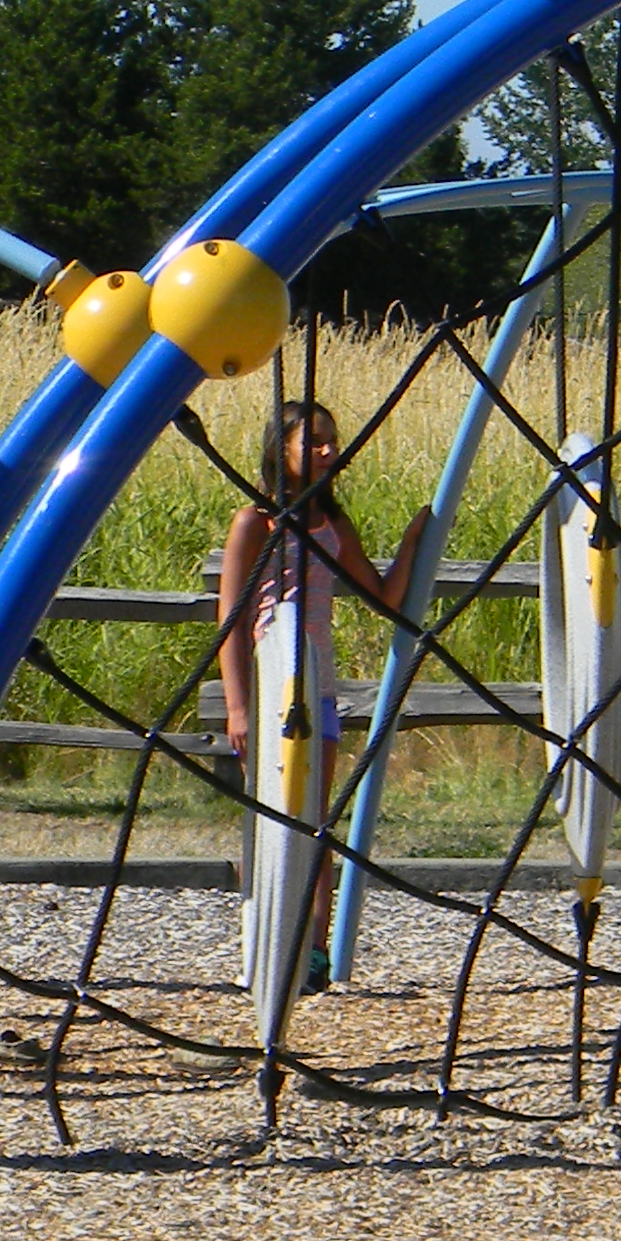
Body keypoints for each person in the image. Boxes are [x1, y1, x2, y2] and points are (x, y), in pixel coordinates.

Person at [216, 400, 428, 996]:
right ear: (280, 449)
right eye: (313, 442)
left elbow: (381, 593)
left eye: (332, 441)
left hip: (318, 684)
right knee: (270, 819)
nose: (328, 451)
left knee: (316, 820)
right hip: (270, 682)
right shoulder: (254, 521)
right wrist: (238, 708)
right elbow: (230, 620)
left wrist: (416, 539)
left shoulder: (331, 523)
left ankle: (312, 948)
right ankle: (263, 936)